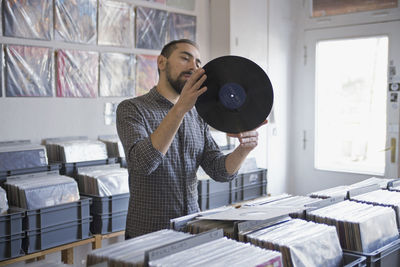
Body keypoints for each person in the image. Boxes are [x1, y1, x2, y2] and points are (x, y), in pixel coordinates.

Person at [116, 39, 266, 239]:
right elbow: (144, 163)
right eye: (185, 58)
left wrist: (244, 149)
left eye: (197, 63)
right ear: (162, 62)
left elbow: (219, 171)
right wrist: (180, 108)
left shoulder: (197, 114)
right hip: (147, 232)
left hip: (191, 228)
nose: (193, 67)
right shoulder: (131, 108)